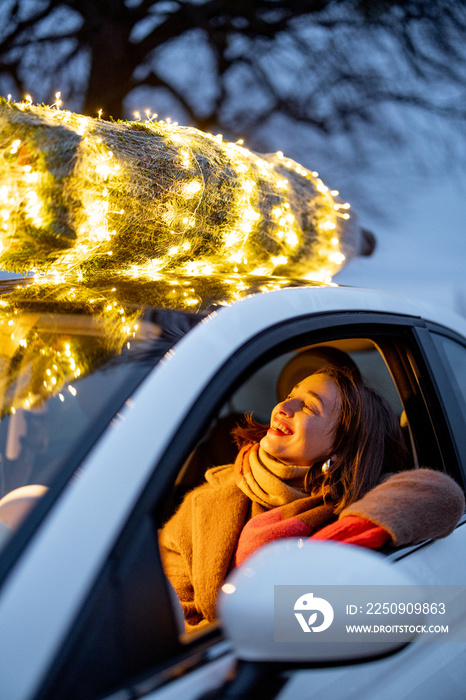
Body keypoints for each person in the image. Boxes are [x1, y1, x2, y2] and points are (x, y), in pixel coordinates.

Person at [159, 364, 465, 631]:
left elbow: (441, 493)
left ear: (340, 447)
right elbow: (166, 606)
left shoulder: (353, 500)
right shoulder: (209, 499)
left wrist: (330, 547)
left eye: (309, 406)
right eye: (292, 393)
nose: (283, 406)